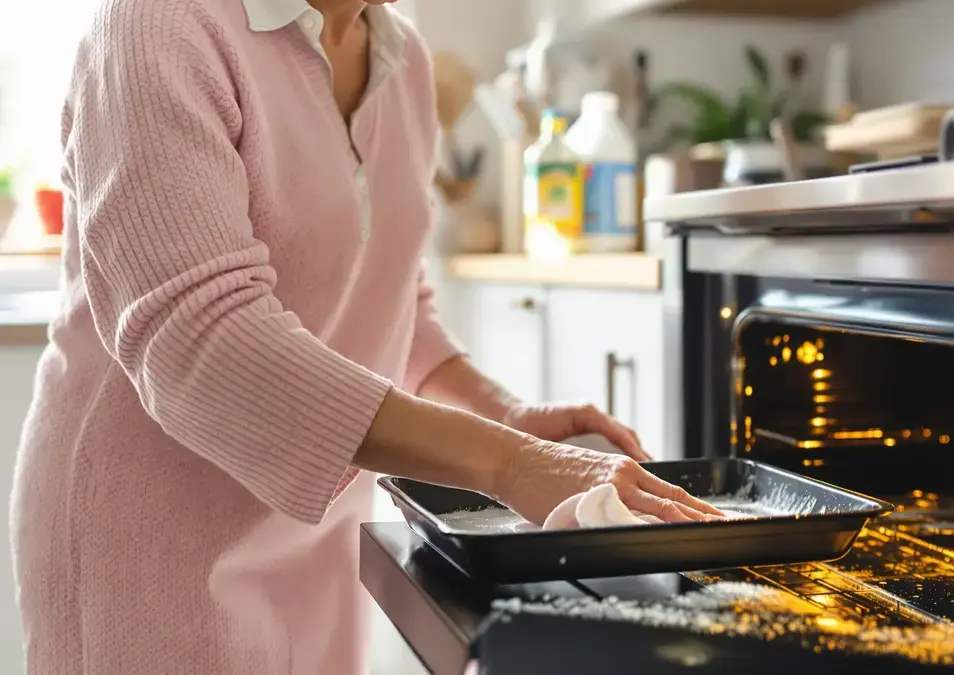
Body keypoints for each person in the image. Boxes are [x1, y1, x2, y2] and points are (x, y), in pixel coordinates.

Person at [8, 0, 720, 673]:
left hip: (317, 544)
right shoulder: (160, 27)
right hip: (148, 549)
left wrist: (502, 413)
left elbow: (390, 296)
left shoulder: (401, 59)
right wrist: (510, 463)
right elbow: (204, 339)